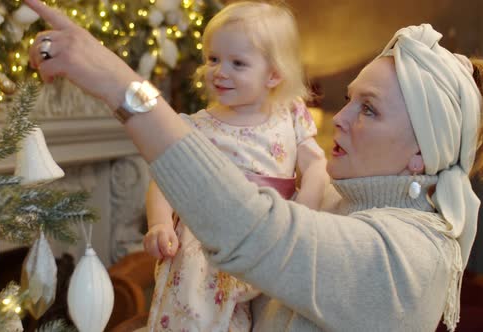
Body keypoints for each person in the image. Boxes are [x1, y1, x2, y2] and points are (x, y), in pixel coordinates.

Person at [24, 0, 482, 330]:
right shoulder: (340, 199)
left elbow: (252, 227)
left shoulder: (408, 259)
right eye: (349, 101)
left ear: (422, 152)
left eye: (369, 109)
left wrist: (116, 82)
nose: (339, 118)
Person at [142, 2, 328, 330]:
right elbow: (165, 179)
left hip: (267, 231)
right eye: (213, 59)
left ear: (274, 74)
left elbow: (316, 165)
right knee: (195, 305)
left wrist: (304, 213)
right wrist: (160, 224)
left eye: (237, 63)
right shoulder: (196, 126)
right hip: (208, 239)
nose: (219, 71)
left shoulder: (290, 113)